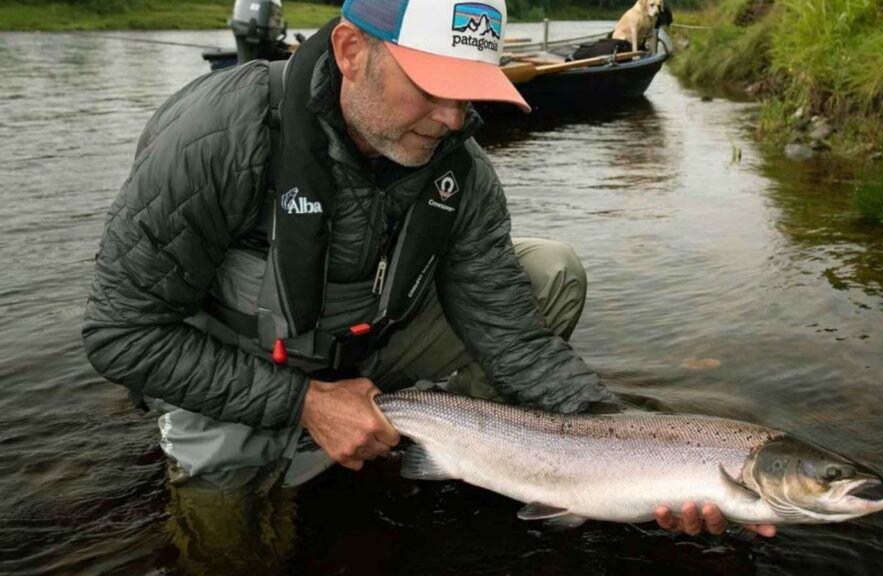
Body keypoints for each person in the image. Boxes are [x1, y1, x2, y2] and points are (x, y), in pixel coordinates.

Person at [82, 0, 774, 544]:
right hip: (234, 358)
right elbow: (119, 334)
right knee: (228, 548)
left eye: (469, 91)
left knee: (549, 271)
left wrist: (626, 444)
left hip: (362, 345)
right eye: (432, 87)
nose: (452, 118)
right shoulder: (217, 138)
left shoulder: (462, 169)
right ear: (353, 52)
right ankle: (304, 438)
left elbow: (514, 338)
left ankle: (450, 445)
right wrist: (304, 404)